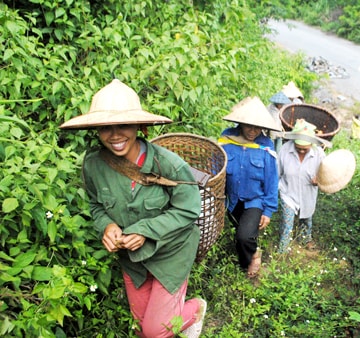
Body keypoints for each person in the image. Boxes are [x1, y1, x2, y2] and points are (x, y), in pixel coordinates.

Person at [60, 79, 206, 338]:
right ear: (96, 130)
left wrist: (146, 231)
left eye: (124, 125)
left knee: (155, 331)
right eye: (105, 127)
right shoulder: (93, 164)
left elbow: (188, 210)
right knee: (140, 329)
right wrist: (108, 225)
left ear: (139, 126)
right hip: (133, 259)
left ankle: (194, 309)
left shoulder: (168, 164)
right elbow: (95, 205)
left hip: (171, 253)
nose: (115, 135)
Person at [218, 96, 280, 278]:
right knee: (241, 231)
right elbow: (217, 165)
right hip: (231, 198)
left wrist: (268, 210)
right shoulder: (226, 139)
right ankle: (251, 250)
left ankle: (252, 258)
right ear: (240, 123)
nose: (253, 131)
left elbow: (271, 180)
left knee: (244, 236)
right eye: (248, 126)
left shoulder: (265, 146)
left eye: (257, 127)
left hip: (254, 199)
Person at [278, 119, 327, 253]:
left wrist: (320, 179)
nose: (301, 152)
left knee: (306, 217)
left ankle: (305, 238)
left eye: (304, 149)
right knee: (287, 222)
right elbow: (278, 172)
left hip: (308, 193)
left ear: (312, 144)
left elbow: (325, 174)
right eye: (298, 148)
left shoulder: (319, 154)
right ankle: (283, 249)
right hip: (288, 191)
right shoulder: (284, 150)